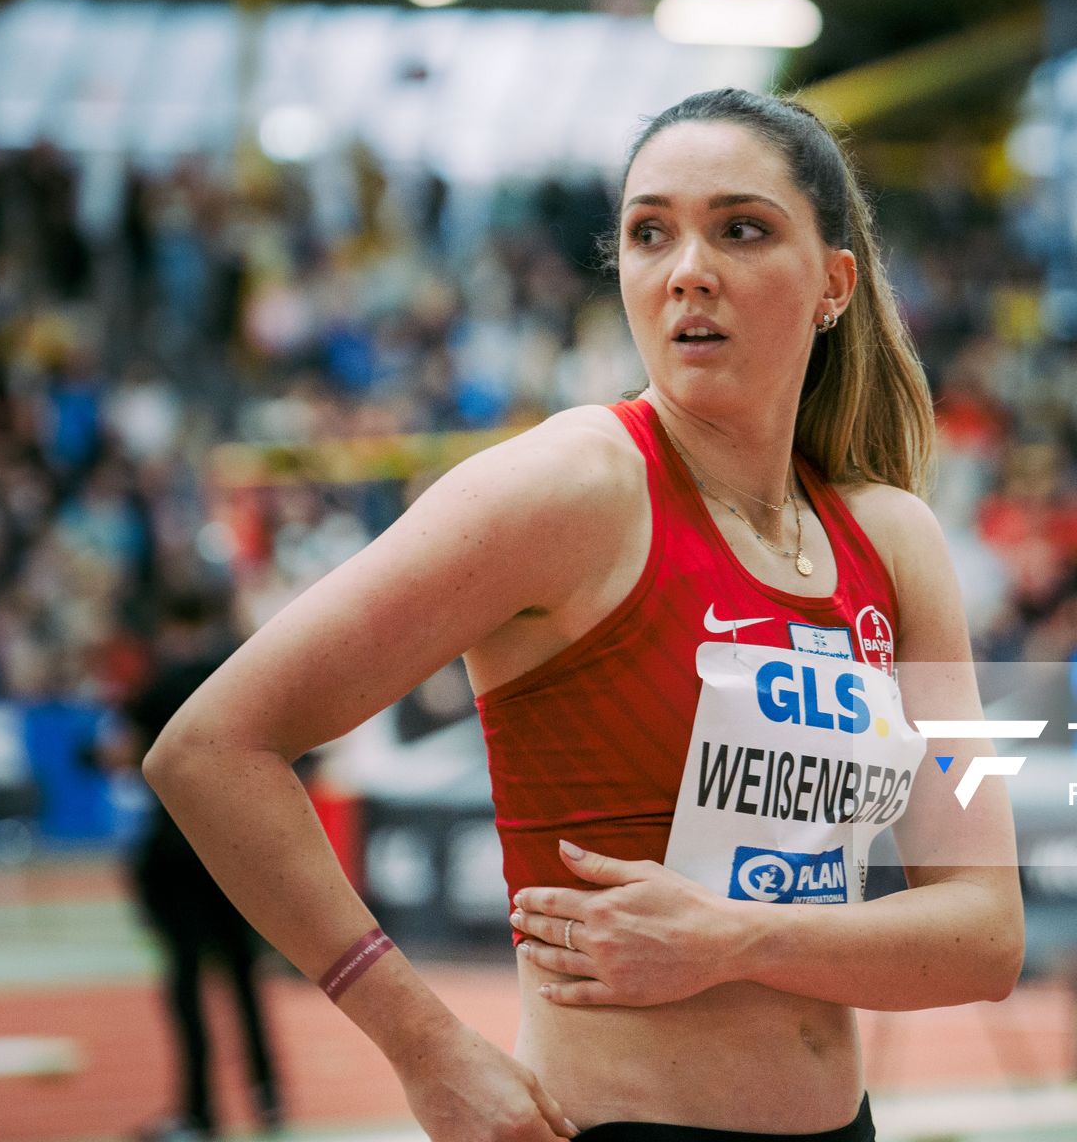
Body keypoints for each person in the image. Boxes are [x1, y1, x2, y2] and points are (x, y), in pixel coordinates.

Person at [145, 87, 1023, 1142]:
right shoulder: (572, 487)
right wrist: (424, 1044)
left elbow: (984, 930)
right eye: (650, 232)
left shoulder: (892, 539)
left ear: (835, 282)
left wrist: (739, 937)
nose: (688, 267)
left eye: (741, 228)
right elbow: (209, 746)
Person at [111, 587, 284, 1140]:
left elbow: (132, 755)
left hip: (176, 851)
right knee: (243, 976)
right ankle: (268, 1096)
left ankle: (198, 1110)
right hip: (238, 848)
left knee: (187, 985)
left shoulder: (160, 683)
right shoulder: (240, 670)